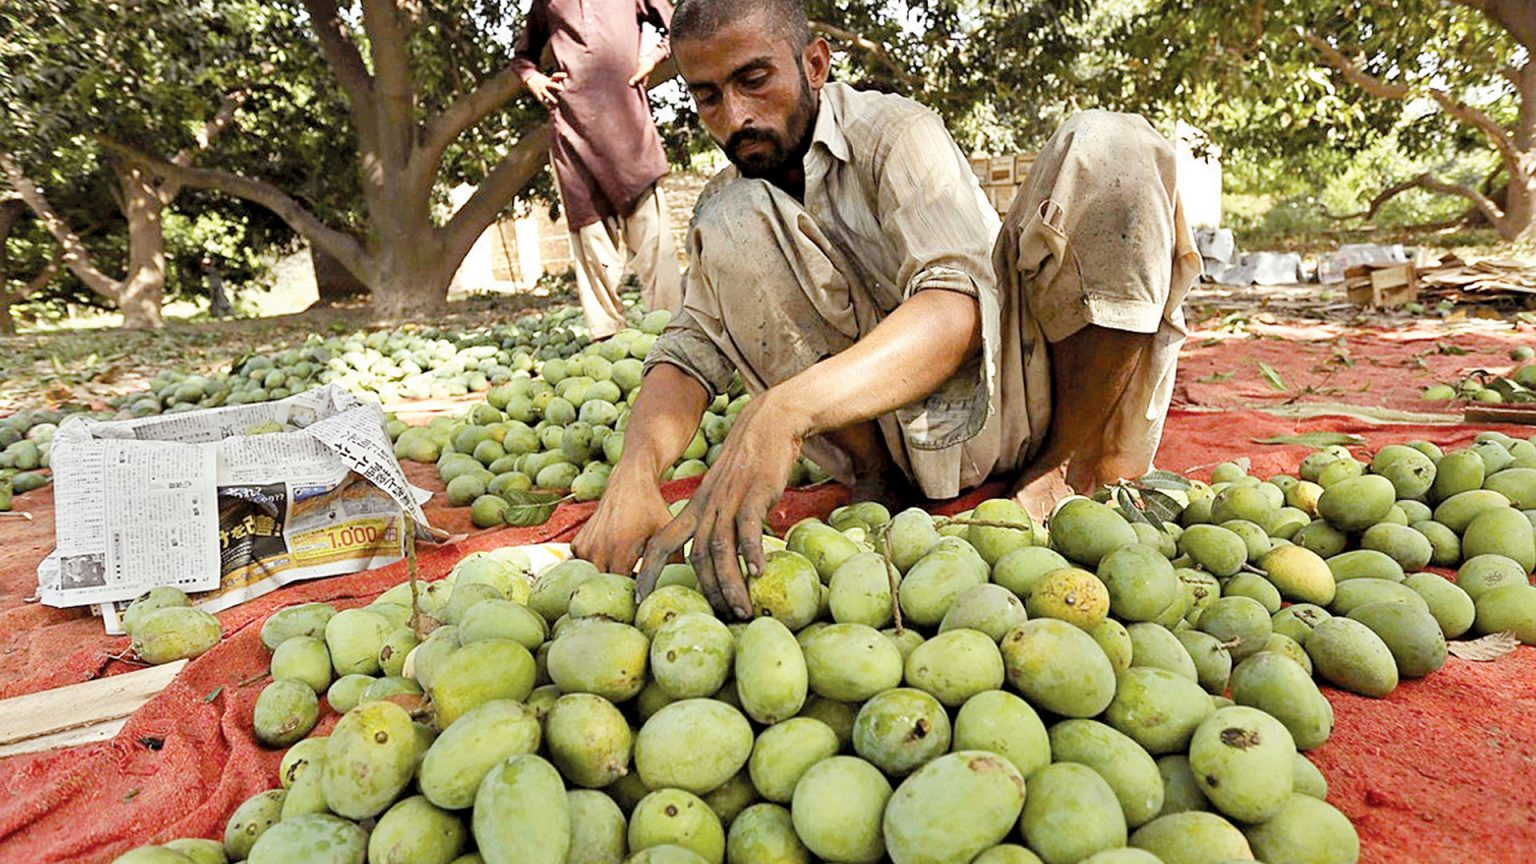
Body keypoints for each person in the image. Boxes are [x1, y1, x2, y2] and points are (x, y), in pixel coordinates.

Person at [571, 0, 1201, 617]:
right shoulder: (729, 202)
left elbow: (956, 306)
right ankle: (880, 480)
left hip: (1016, 393)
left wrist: (781, 412)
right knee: (729, 217)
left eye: (754, 80)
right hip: (890, 443)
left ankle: (1068, 466)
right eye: (708, 96)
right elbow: (688, 351)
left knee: (1113, 146)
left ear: (815, 64)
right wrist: (635, 471)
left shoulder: (895, 135)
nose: (735, 116)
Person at [512, 0, 683, 340]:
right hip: (573, 133)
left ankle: (676, 341)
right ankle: (606, 341)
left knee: (655, 247)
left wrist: (652, 57)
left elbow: (680, 23)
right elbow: (522, 57)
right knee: (592, 244)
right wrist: (534, 80)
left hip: (630, 132)